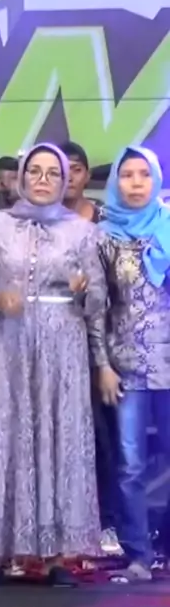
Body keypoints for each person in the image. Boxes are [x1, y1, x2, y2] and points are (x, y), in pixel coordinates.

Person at [0, 142, 106, 585]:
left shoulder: (83, 232)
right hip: (8, 345)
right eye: (35, 171)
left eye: (53, 173)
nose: (43, 180)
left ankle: (57, 555)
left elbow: (99, 299)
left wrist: (83, 290)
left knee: (58, 438)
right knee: (5, 434)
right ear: (21, 177)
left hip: (63, 347)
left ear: (65, 181)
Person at [97, 146, 170, 581]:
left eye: (144, 174)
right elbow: (96, 310)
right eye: (127, 175)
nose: (137, 182)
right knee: (130, 466)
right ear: (116, 183)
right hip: (127, 366)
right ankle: (139, 554)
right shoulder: (103, 237)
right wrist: (102, 365)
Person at [59, 140, 122, 556]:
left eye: (76, 169)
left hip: (102, 344)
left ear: (85, 176)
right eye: (60, 169)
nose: (68, 178)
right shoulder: (36, 224)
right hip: (51, 343)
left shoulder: (105, 224)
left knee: (103, 437)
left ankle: (108, 523)